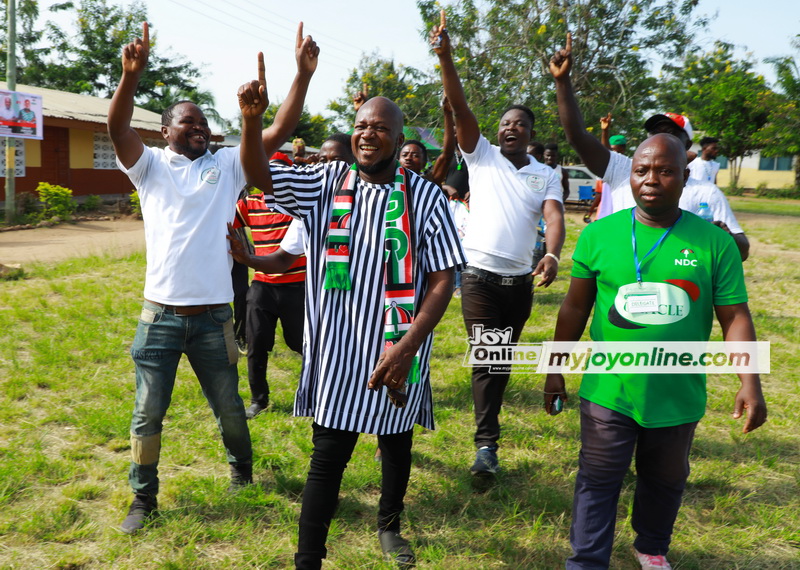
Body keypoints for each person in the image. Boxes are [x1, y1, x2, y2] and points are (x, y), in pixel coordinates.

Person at [108, 21, 319, 535]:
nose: (199, 127)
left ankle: (241, 473)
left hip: (213, 320)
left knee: (229, 408)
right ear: (166, 130)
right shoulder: (151, 167)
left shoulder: (228, 165)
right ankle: (143, 499)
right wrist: (129, 77)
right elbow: (117, 128)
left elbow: (276, 133)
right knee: (146, 415)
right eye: (188, 122)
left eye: (204, 121)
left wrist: (302, 77)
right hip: (157, 318)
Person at [246, 95, 465, 569]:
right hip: (338, 353)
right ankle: (309, 560)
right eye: (362, 125)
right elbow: (258, 173)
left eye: (381, 127)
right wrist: (253, 119)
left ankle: (389, 526)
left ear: (399, 138)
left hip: (398, 348)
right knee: (326, 459)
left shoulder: (424, 197)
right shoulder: (325, 183)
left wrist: (407, 347)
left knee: (395, 443)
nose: (368, 133)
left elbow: (444, 278)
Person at [543, 133, 767, 570]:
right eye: (642, 170)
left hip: (677, 392)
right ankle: (587, 561)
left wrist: (750, 381)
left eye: (665, 171)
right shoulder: (599, 236)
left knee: (666, 478)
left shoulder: (713, 243)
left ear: (685, 178)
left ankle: (651, 546)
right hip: (610, 388)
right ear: (630, 177)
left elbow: (735, 317)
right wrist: (555, 368)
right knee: (598, 478)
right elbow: (574, 308)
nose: (652, 180)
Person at [432, 11, 566, 477]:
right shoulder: (481, 154)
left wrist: (550, 253)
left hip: (519, 283)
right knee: (487, 357)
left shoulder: (545, 174)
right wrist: (446, 58)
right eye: (505, 122)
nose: (510, 127)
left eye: (519, 124)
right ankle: (486, 447)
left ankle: (488, 435)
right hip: (478, 278)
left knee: (500, 360)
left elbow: (553, 217)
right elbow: (461, 106)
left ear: (530, 133)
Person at [550, 33, 750, 261]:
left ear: (686, 145)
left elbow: (742, 250)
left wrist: (727, 238)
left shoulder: (705, 192)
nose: (661, 139)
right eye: (655, 133)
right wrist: (562, 81)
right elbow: (577, 136)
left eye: (672, 134)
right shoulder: (623, 170)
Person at [233, 182, 307, 419]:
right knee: (256, 345)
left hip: (298, 284)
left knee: (301, 343)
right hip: (262, 284)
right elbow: (223, 218)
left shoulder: (298, 203)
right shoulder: (249, 204)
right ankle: (258, 400)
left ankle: (317, 392)